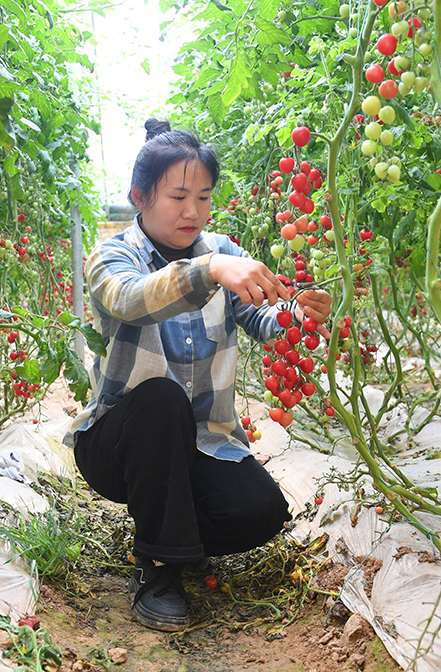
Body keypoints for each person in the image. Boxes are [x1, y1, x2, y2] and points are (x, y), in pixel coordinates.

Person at [62, 118, 333, 632]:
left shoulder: (224, 252)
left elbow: (260, 320)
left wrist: (299, 314)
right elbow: (128, 299)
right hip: (120, 443)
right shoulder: (112, 255)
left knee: (260, 512)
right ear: (140, 197)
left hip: (202, 442)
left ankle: (170, 532)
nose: (193, 212)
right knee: (160, 398)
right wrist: (208, 271)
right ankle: (160, 568)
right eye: (179, 197)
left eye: (204, 198)